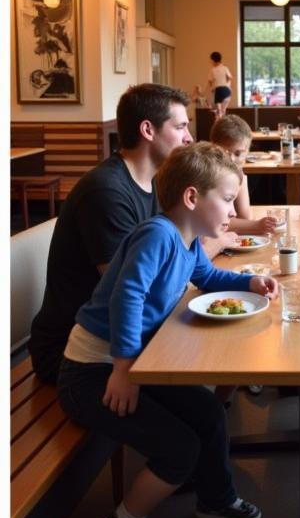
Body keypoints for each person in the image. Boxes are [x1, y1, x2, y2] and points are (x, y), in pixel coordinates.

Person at [56, 143, 278, 518]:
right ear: (191, 197)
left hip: (134, 363)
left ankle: (216, 499)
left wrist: (250, 282)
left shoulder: (188, 238)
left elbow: (208, 277)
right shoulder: (158, 235)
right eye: (227, 200)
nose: (233, 211)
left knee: (208, 413)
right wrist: (124, 371)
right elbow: (127, 296)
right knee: (180, 449)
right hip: (92, 371)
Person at [29, 85, 198, 384]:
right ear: (148, 129)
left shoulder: (155, 182)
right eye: (181, 126)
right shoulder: (106, 192)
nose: (189, 137)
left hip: (118, 337)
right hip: (75, 353)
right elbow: (133, 289)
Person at [209, 115, 281, 236]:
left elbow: (245, 217)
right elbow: (217, 222)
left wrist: (241, 181)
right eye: (224, 153)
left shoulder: (238, 175)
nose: (231, 159)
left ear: (247, 152)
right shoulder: (209, 177)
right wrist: (257, 225)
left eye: (238, 153)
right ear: (213, 148)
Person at [207, 51, 232, 119]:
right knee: (223, 111)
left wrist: (210, 90)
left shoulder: (213, 70)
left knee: (219, 113)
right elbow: (230, 78)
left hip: (219, 91)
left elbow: (209, 82)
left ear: (213, 60)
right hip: (227, 92)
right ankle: (223, 123)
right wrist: (227, 86)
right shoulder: (225, 68)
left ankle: (219, 125)